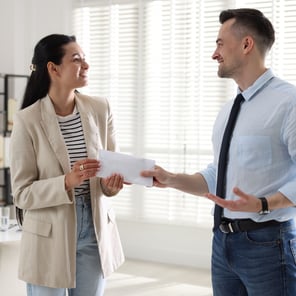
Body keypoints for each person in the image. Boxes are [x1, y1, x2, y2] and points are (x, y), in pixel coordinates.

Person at [142, 8, 296, 296]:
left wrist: (263, 203)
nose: (215, 53)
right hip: (222, 245)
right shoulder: (229, 111)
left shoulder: (288, 103)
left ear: (246, 44)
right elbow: (218, 175)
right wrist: (172, 178)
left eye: (220, 44)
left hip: (268, 244)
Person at [10, 34, 125, 296]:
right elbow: (22, 193)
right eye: (77, 60)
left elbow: (109, 171)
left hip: (94, 231)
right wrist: (66, 181)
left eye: (85, 59)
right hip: (49, 232)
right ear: (53, 68)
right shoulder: (27, 121)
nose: (86, 65)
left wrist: (111, 185)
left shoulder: (100, 108)